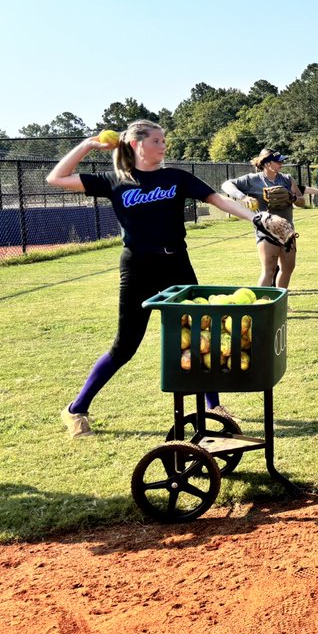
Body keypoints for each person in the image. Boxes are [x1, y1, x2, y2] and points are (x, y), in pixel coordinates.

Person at [47, 120, 258, 438]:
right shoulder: (114, 181)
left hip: (176, 265)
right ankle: (76, 410)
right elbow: (56, 178)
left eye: (163, 140)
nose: (163, 145)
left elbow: (217, 199)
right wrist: (89, 145)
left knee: (201, 334)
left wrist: (257, 217)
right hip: (138, 268)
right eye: (157, 140)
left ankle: (213, 408)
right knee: (125, 346)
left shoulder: (176, 178)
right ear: (137, 144)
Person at [221, 148, 318, 286]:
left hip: (287, 231)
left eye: (281, 161)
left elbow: (302, 202)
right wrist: (243, 197)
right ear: (267, 163)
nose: (281, 163)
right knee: (269, 270)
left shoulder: (286, 179)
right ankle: (262, 304)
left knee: (288, 269)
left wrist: (292, 197)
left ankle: (281, 302)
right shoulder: (252, 180)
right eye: (277, 161)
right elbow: (226, 185)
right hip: (266, 231)